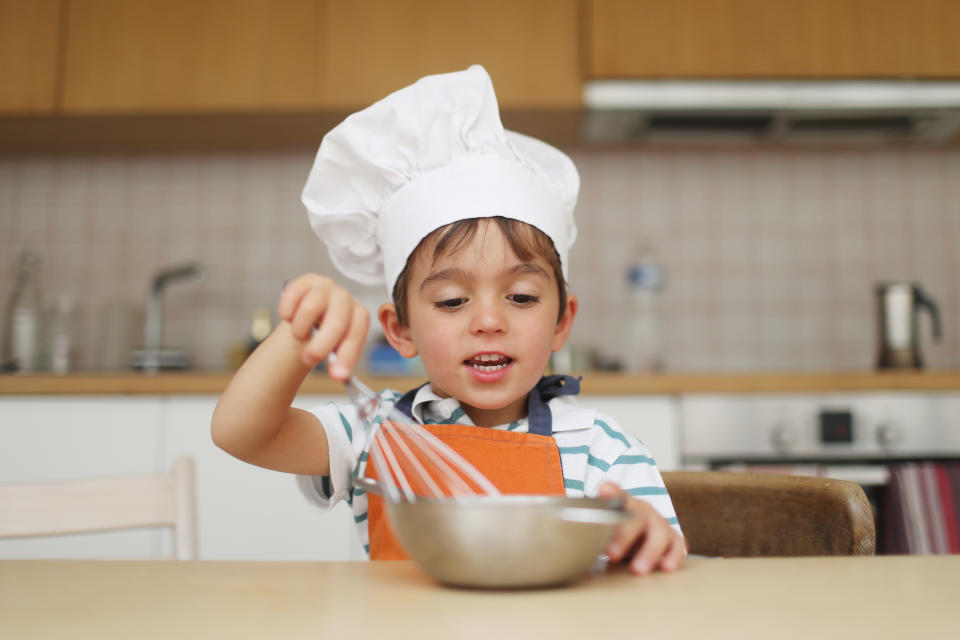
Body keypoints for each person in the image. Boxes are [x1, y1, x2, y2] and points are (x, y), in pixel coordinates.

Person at [211, 65, 685, 575]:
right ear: (400, 330)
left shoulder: (605, 452)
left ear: (562, 322)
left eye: (521, 297)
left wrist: (646, 540)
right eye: (452, 301)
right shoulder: (374, 436)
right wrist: (300, 334)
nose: (487, 320)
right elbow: (241, 433)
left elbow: (661, 569)